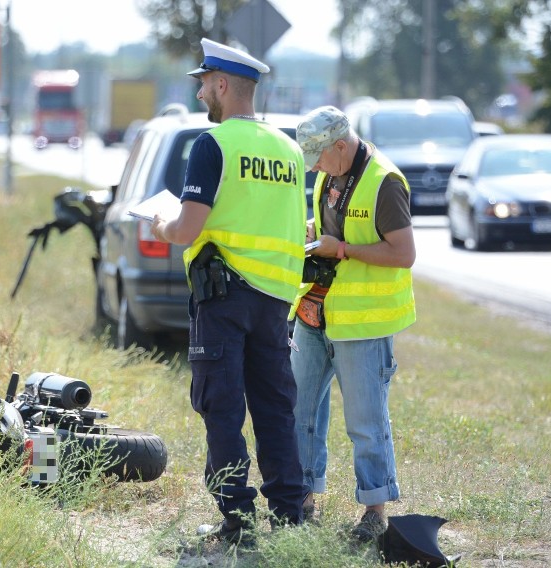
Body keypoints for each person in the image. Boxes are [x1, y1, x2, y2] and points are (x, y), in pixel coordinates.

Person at [150, 38, 308, 544]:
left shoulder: (213, 145)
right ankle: (288, 517)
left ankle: (237, 523)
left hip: (224, 298)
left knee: (221, 407)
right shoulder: (289, 148)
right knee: (274, 409)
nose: (200, 96)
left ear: (222, 85)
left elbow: (187, 229)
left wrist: (160, 222)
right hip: (275, 299)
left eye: (203, 85)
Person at [290, 105, 416, 543]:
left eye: (320, 158)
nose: (316, 168)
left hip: (362, 323)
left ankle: (374, 511)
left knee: (365, 420)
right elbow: (333, 223)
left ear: (340, 146)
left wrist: (340, 248)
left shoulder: (385, 182)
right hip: (314, 311)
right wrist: (314, 232)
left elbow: (403, 254)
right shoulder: (332, 172)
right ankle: (302, 499)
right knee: (299, 409)